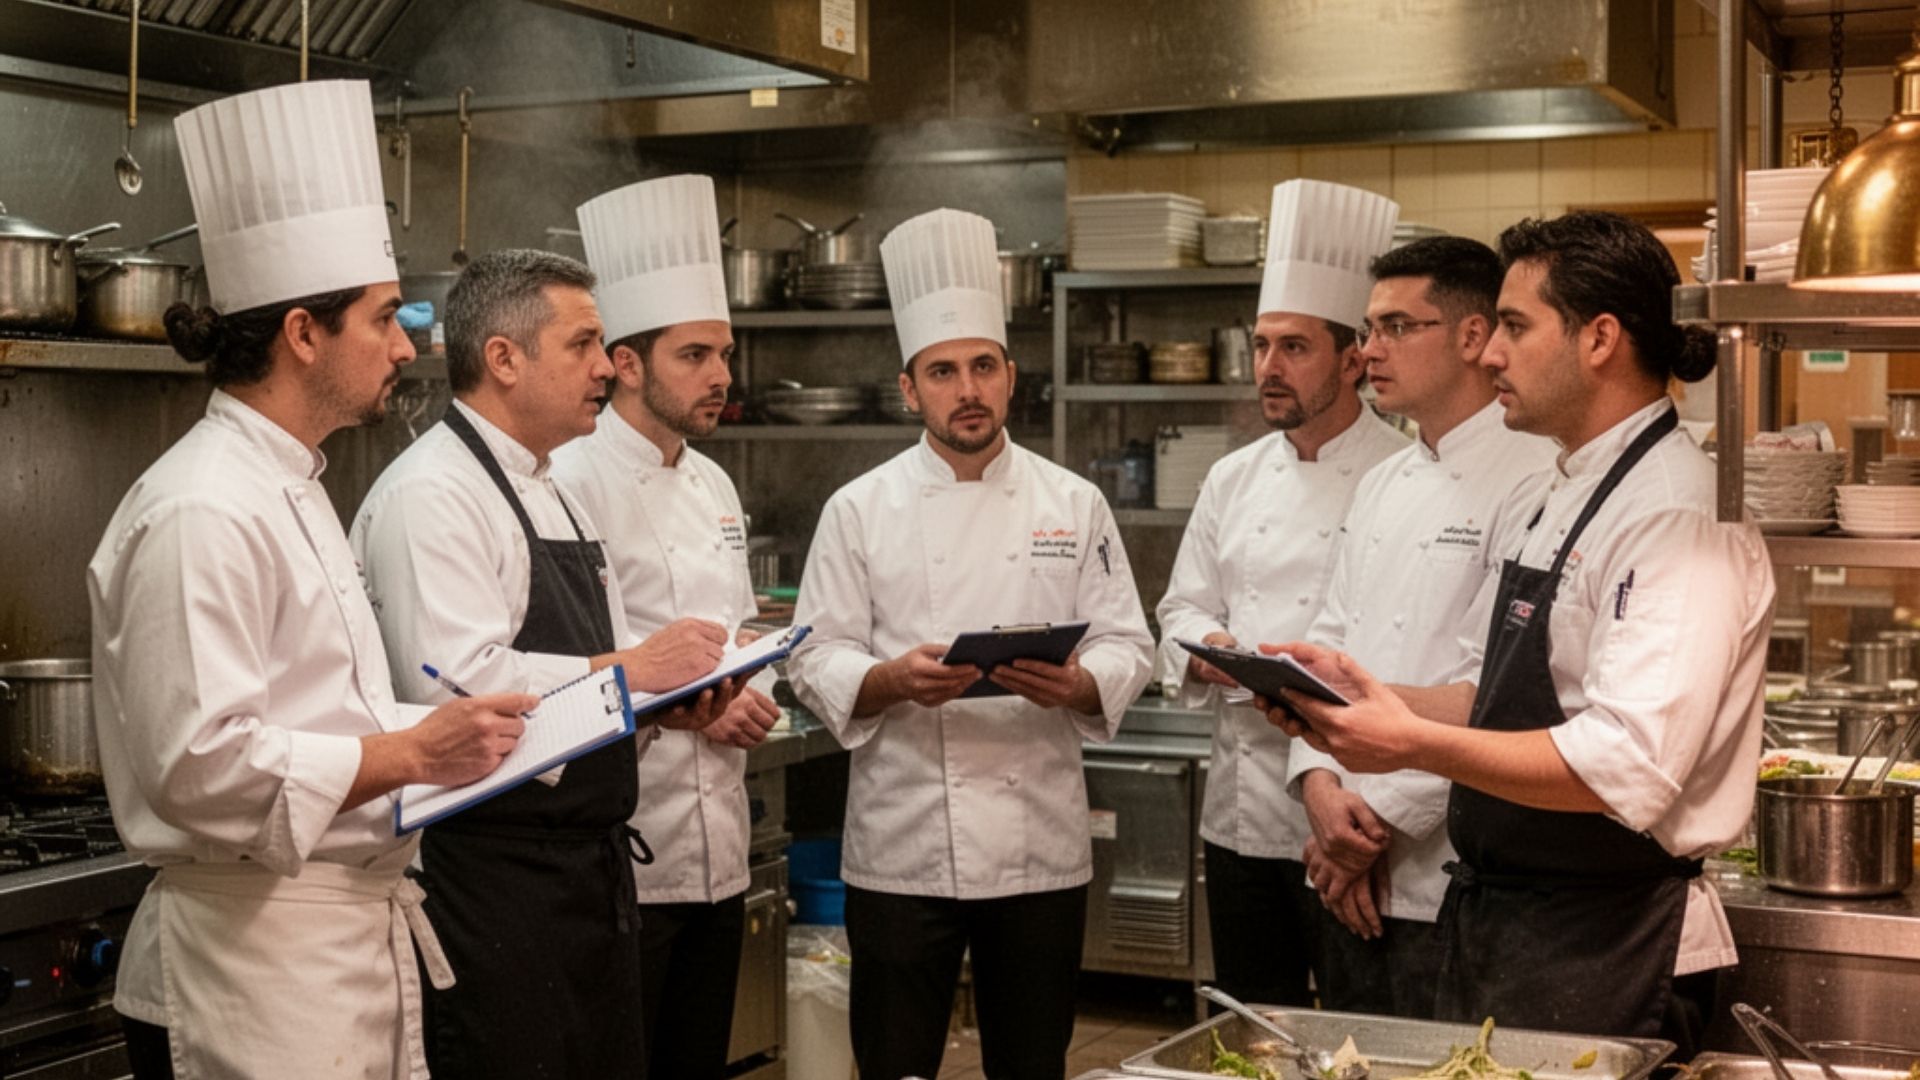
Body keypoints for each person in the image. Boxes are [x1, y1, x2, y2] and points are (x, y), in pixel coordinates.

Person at [89, 80, 535, 1080]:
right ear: (302, 333)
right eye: (383, 319)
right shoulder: (202, 506)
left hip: (329, 958)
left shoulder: (292, 483)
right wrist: (411, 751)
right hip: (248, 976)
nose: (407, 346)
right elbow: (201, 764)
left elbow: (314, 715)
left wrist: (441, 742)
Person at [1268, 211, 1774, 1055]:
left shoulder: (1676, 510)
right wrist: (1362, 696)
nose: (1492, 353)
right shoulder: (1567, 488)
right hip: (1516, 928)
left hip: (1613, 941)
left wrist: (1409, 744)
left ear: (1599, 338)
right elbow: (1495, 697)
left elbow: (1627, 763)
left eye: (1513, 326)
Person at [788, 208, 1154, 1080]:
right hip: (903, 843)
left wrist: (1081, 684)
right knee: (894, 1063)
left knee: (1031, 1064)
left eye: (983, 367)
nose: (968, 389)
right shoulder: (859, 508)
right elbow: (812, 654)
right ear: (909, 389)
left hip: (1038, 847)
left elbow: (1128, 641)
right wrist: (889, 679)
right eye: (943, 372)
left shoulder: (1073, 502)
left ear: (1011, 377)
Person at [351, 248, 733, 1078]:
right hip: (490, 882)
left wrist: (660, 708)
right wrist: (636, 670)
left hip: (584, 879)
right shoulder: (433, 492)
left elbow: (597, 672)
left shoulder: (555, 487)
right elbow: (454, 692)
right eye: (583, 344)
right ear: (503, 358)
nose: (605, 367)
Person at [1283, 236, 1556, 1018]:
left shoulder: (1534, 476)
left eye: (1397, 327)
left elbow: (1492, 690)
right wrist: (1320, 790)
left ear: (1473, 336)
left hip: (1448, 873)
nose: (1370, 351)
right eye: (1369, 329)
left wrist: (1371, 829)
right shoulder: (1383, 482)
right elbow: (1330, 649)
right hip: (1343, 858)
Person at [1154, 178, 1407, 1008]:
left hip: (1354, 817)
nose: (1268, 367)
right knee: (1253, 1026)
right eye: (1261, 345)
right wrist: (1212, 653)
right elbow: (1182, 607)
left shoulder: (1404, 475)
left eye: (1294, 347)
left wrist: (1354, 821)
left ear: (1353, 358)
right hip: (1238, 811)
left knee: (1358, 1035)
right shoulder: (1232, 478)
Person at [551, 174, 782, 1080]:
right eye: (694, 355)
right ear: (626, 363)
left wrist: (752, 685)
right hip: (626, 852)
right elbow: (563, 663)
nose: (722, 376)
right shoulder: (568, 479)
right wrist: (691, 703)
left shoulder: (714, 481)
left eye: (724, 353)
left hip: (718, 848)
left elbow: (737, 627)